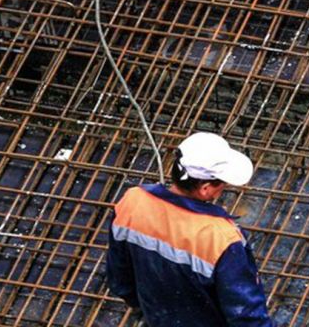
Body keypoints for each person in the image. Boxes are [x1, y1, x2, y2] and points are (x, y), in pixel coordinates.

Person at [104, 132, 275, 326]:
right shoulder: (220, 237)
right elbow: (246, 314)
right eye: (223, 183)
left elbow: (120, 279)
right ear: (205, 188)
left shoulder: (133, 201)